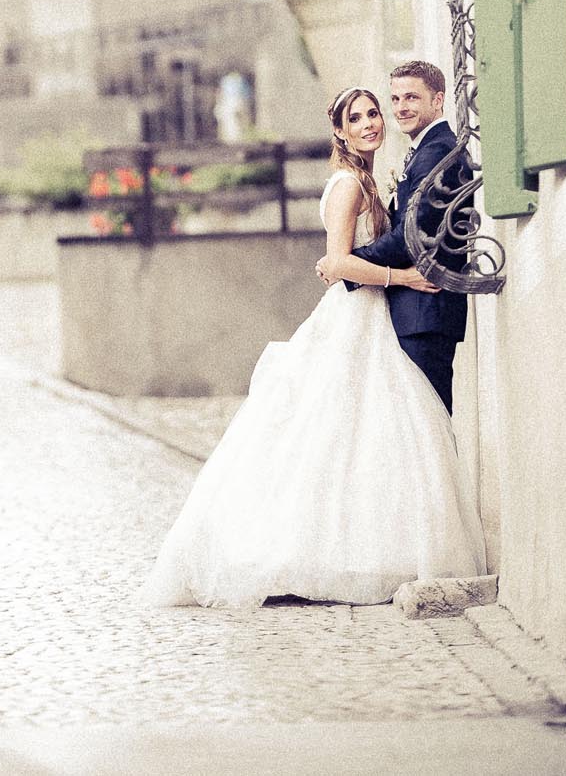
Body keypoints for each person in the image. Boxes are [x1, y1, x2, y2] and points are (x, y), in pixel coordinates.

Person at [138, 85, 486, 609]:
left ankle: (366, 549)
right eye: (358, 118)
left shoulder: (366, 181)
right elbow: (340, 263)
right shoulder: (347, 184)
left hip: (374, 315)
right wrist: (406, 278)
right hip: (359, 313)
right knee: (332, 434)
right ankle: (304, 553)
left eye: (375, 114)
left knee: (363, 437)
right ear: (341, 132)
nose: (371, 123)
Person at [319, 60, 469, 413]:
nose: (400, 107)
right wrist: (343, 264)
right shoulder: (351, 182)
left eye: (411, 98)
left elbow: (409, 235)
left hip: (421, 309)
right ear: (340, 132)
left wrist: (342, 264)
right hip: (396, 307)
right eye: (396, 99)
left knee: (420, 420)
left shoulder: (434, 151)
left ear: (438, 100)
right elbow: (401, 234)